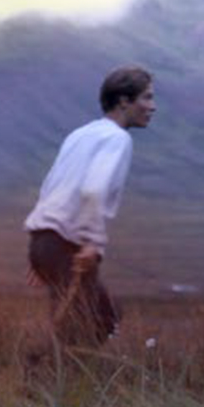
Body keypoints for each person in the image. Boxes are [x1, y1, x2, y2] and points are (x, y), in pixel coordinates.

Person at [24, 65, 157, 346]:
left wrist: (40, 251)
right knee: (89, 327)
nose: (152, 107)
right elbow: (94, 189)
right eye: (146, 98)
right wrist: (92, 242)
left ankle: (43, 381)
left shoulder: (81, 134)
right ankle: (37, 382)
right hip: (67, 246)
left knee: (89, 320)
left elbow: (50, 186)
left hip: (46, 241)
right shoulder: (117, 138)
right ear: (124, 100)